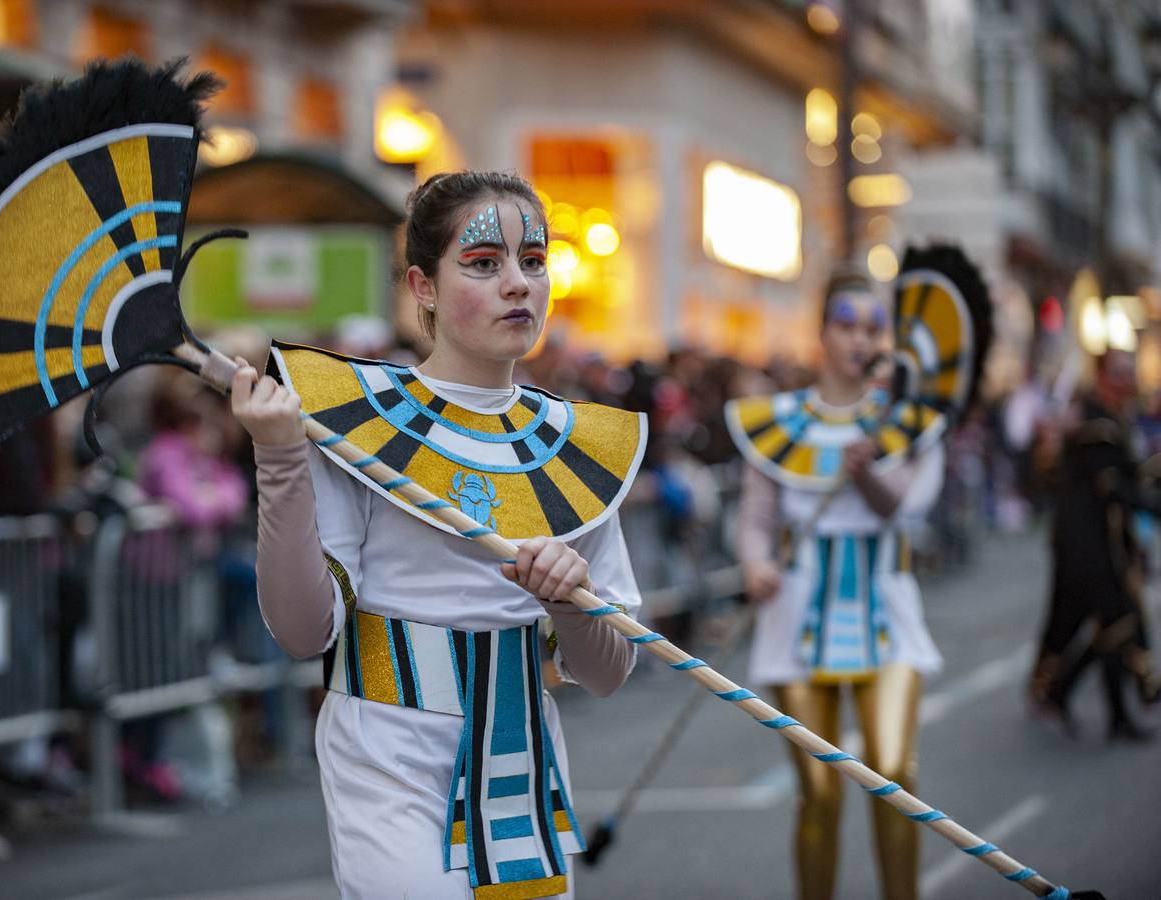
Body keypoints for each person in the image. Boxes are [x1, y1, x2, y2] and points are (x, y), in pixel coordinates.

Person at [230, 171, 646, 899]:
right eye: (484, 264)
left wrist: (571, 603)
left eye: (535, 260)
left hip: (523, 750)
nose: (518, 283)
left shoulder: (579, 450)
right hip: (385, 754)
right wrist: (280, 459)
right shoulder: (354, 424)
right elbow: (303, 632)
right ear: (422, 286)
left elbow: (608, 674)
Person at [728, 266, 946, 900]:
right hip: (797, 617)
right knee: (820, 791)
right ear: (822, 331)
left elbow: (899, 507)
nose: (859, 338)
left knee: (893, 778)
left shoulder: (904, 421)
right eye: (846, 324)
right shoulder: (776, 421)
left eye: (873, 326)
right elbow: (755, 520)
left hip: (887, 612)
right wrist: (755, 564)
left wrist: (868, 473)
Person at [1028, 348, 1160, 739]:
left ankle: (1064, 693)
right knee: (1111, 624)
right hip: (1086, 549)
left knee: (1110, 627)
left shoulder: (1113, 419)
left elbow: (1131, 478)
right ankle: (1068, 694)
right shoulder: (1094, 427)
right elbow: (1118, 487)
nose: (1127, 381)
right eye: (1119, 373)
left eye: (1130, 373)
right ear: (1102, 377)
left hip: (1104, 544)